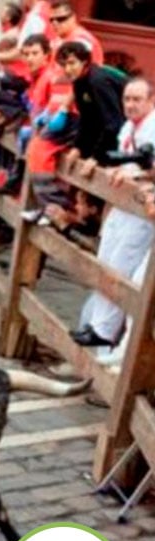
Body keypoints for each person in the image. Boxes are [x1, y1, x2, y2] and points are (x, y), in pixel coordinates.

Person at [70, 78, 155, 348]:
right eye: (127, 99)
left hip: (141, 207)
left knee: (123, 265)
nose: (130, 105)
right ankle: (96, 325)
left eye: (136, 99)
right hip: (122, 202)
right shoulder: (128, 126)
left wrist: (137, 173)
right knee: (106, 257)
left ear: (150, 101)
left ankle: (106, 332)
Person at [58, 40, 125, 164]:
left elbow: (114, 123)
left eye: (72, 63)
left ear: (84, 62)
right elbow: (88, 119)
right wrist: (78, 147)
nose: (68, 69)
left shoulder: (97, 81)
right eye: (64, 65)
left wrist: (97, 158)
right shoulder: (79, 81)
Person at [49, 0, 103, 65]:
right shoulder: (57, 37)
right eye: (51, 20)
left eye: (60, 19)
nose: (55, 23)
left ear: (73, 18)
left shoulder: (82, 41)